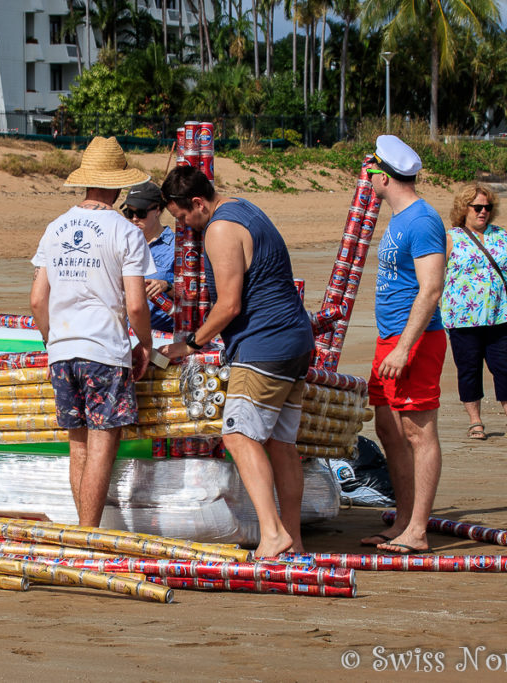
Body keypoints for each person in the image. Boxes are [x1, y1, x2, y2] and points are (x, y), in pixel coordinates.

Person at [159, 166, 314, 558]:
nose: (184, 227)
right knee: (281, 444)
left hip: (265, 347)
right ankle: (291, 539)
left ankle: (273, 534)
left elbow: (229, 304)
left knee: (237, 436)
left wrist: (190, 344)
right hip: (295, 342)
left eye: (182, 217)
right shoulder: (245, 208)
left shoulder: (220, 229)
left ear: (197, 203)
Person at [30, 136, 154, 527]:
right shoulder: (125, 232)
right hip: (103, 348)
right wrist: (145, 344)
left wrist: (52, 340)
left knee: (78, 445)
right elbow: (135, 304)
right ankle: (89, 533)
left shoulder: (55, 228)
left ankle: (84, 532)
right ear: (118, 185)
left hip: (63, 349)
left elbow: (37, 300)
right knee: (103, 444)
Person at [359, 135, 446, 555]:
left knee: (417, 431)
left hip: (415, 340)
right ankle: (405, 519)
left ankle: (418, 530)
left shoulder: (422, 219)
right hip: (389, 337)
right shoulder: (398, 218)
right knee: (388, 428)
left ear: (384, 175)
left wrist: (403, 348)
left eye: (371, 170)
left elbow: (430, 290)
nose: (367, 177)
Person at [441, 184, 507, 441]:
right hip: (463, 318)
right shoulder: (451, 238)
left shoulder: (502, 236)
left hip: (498, 315)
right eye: (477, 207)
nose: (483, 212)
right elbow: (437, 275)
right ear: (464, 209)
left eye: (487, 207)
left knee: (505, 367)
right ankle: (475, 422)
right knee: (469, 369)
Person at [121, 181, 174, 332]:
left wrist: (167, 287)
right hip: (124, 334)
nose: (135, 219)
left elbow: (194, 297)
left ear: (157, 210)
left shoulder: (177, 248)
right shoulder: (123, 244)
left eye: (141, 213)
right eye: (129, 213)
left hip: (161, 337)